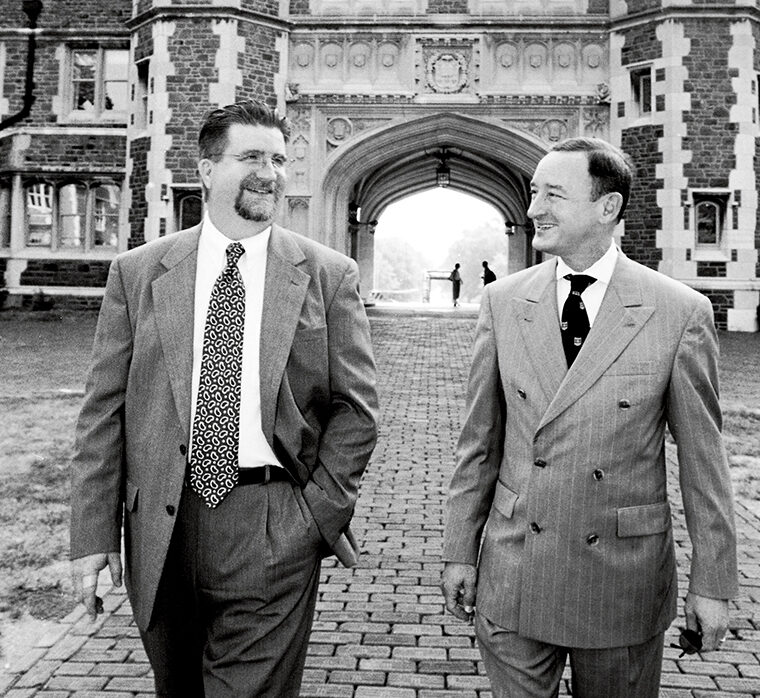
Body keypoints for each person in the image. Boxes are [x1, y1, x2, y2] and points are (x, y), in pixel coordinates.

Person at [70, 98, 379, 697]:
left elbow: (355, 411)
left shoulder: (327, 274)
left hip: (271, 521)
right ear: (208, 170)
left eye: (279, 158)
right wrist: (94, 535)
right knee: (177, 687)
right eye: (251, 157)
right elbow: (103, 413)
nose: (270, 171)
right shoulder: (139, 272)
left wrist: (313, 517)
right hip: (160, 520)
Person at [441, 137, 737, 697]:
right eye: (533, 192)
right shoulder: (503, 302)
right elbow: (478, 443)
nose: (533, 209)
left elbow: (705, 463)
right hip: (515, 570)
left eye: (554, 194)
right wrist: (460, 549)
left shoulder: (679, 312)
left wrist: (713, 583)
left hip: (620, 582)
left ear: (608, 208)